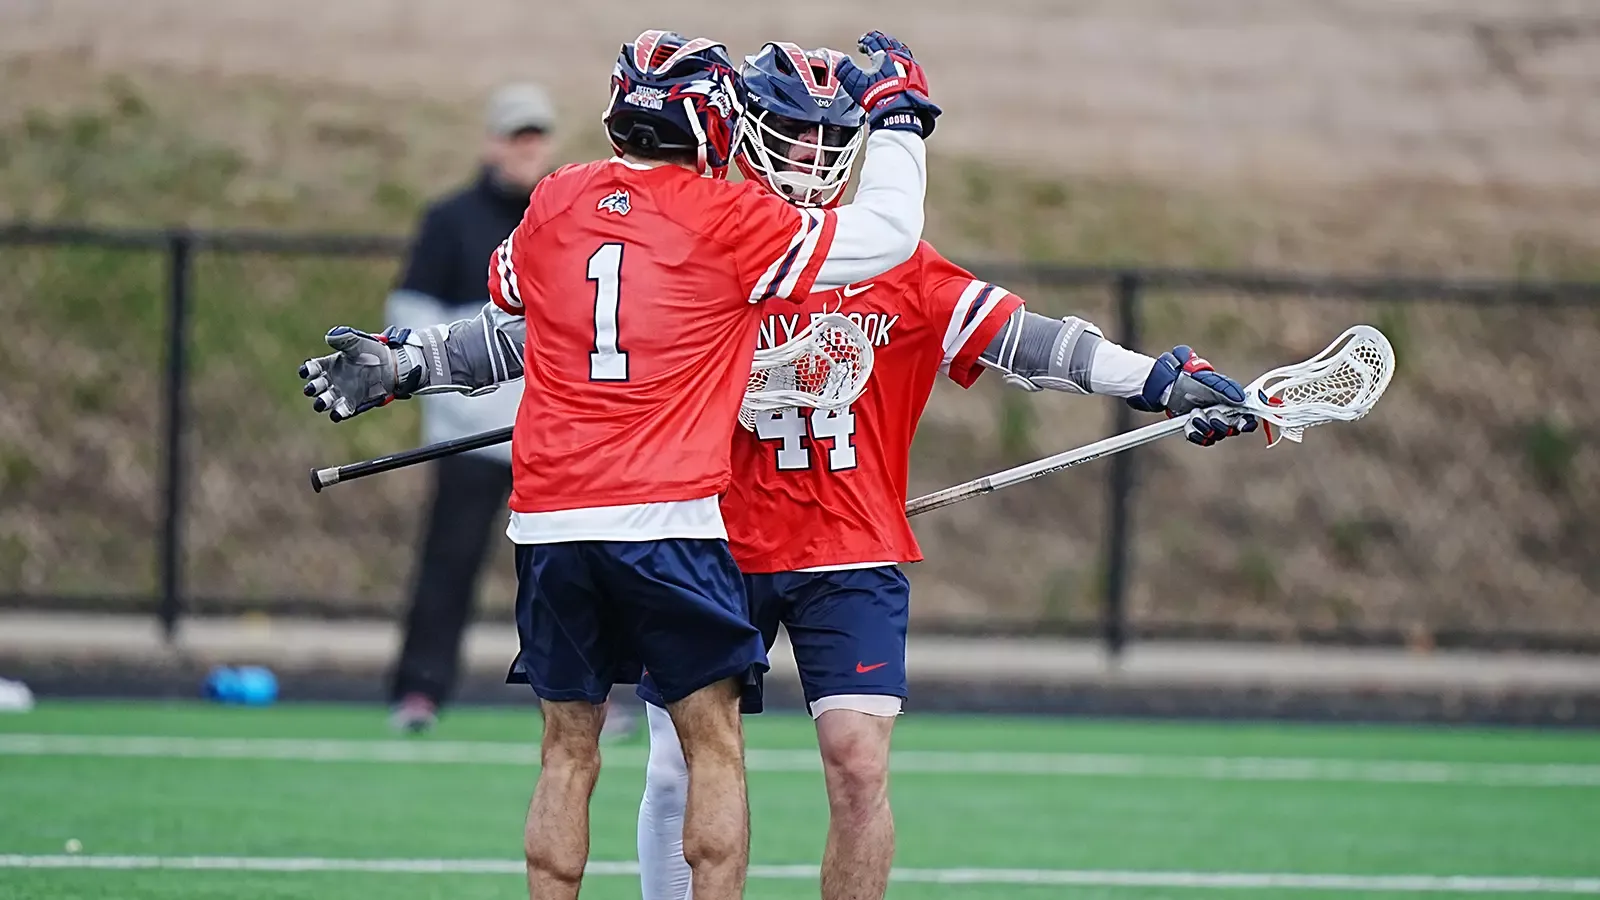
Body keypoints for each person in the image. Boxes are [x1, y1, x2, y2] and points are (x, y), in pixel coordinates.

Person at [296, 28, 942, 900]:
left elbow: (513, 310)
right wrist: (899, 117)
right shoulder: (731, 218)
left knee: (568, 750)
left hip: (551, 521)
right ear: (714, 122)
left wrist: (407, 361)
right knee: (708, 744)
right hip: (667, 520)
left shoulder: (556, 197)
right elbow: (891, 232)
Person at [629, 43, 1260, 900]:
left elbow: (1032, 342)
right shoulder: (704, 246)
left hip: (847, 553)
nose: (811, 157)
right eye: (789, 131)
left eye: (830, 137)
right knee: (681, 770)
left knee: (857, 767)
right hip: (709, 543)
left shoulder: (891, 257)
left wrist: (1156, 381)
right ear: (744, 129)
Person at [384, 81, 554, 734]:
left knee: (567, 574)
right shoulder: (450, 220)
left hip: (547, 442)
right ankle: (419, 688)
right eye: (517, 137)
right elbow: (408, 319)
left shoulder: (563, 219)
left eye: (536, 137)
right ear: (492, 143)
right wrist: (455, 404)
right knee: (447, 564)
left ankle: (583, 694)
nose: (526, 150)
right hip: (470, 437)